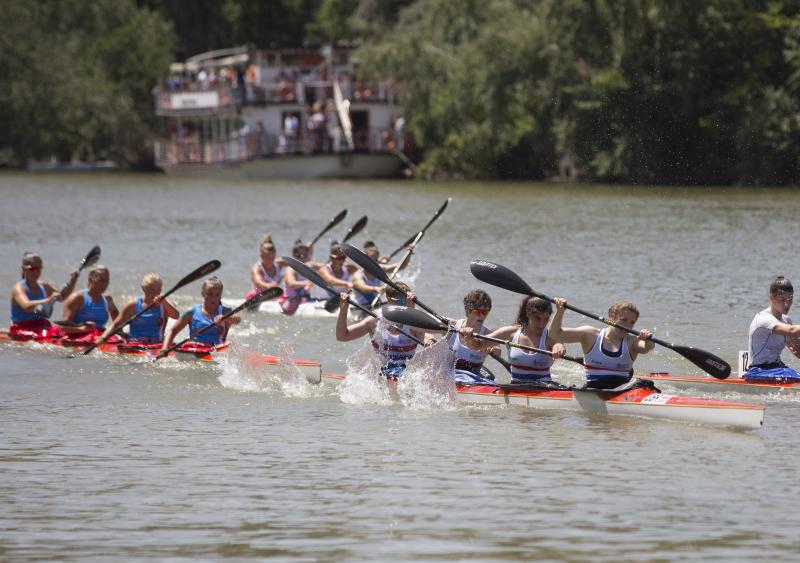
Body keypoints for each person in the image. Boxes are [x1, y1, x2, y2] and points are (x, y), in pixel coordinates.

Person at [548, 298, 654, 389]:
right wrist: (560, 311)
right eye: (624, 320)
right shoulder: (590, 335)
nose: (627, 326)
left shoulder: (632, 341)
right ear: (611, 316)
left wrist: (648, 340)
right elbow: (555, 334)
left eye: (632, 322)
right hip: (595, 389)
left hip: (623, 390)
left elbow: (645, 348)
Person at [336, 281, 432, 379]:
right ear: (389, 300)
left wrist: (430, 341)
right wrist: (343, 310)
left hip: (405, 373)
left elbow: (428, 337)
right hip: (381, 373)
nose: (404, 304)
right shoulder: (374, 321)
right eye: (400, 301)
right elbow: (343, 336)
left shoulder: (415, 322)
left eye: (406, 301)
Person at [9, 252, 79, 338]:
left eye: (38, 269)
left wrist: (73, 281)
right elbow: (27, 306)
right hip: (21, 327)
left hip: (41, 325)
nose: (36, 272)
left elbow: (61, 297)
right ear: (23, 269)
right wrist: (48, 300)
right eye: (32, 269)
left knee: (64, 331)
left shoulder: (43, 285)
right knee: (56, 333)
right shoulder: (18, 288)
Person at [161, 277, 240, 353]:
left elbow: (237, 319)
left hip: (217, 351)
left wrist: (225, 318)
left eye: (217, 294)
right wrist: (164, 348)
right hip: (196, 349)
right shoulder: (192, 313)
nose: (214, 298)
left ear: (221, 295)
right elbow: (172, 331)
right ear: (203, 294)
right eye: (210, 294)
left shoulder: (225, 311)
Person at [744, 276, 800, 383]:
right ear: (771, 297)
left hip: (778, 367)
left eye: (790, 300)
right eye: (782, 300)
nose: (787, 305)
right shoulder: (763, 319)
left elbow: (798, 352)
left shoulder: (787, 321)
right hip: (758, 371)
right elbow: (792, 330)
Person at [97, 273, 179, 344]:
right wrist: (103, 337)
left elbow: (176, 316)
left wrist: (164, 301)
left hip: (156, 343)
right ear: (143, 289)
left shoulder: (165, 303)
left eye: (159, 289)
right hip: (134, 343)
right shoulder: (133, 305)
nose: (156, 293)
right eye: (152, 290)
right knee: (119, 331)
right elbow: (115, 324)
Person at [446, 289, 500, 381]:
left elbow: (498, 351)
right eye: (479, 312)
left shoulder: (488, 335)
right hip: (448, 375)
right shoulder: (452, 326)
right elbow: (425, 323)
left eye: (485, 312)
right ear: (468, 310)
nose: (482, 316)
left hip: (472, 379)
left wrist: (493, 349)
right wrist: (429, 337)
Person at [60, 265, 119, 341]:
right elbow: (63, 328)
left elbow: (118, 323)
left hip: (99, 337)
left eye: (107, 280)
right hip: (78, 337)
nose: (105, 284)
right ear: (91, 279)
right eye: (101, 280)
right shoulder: (77, 298)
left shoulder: (107, 299)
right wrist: (82, 329)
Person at [280, 240, 316, 315]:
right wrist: (306, 283)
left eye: (304, 255)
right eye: (299, 255)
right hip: (291, 300)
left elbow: (323, 267)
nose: (301, 258)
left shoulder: (309, 267)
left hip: (305, 298)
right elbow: (291, 284)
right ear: (294, 256)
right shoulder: (290, 269)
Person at [247, 234, 284, 299]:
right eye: (268, 257)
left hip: (273, 296)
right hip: (257, 296)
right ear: (262, 256)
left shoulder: (279, 263)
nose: (271, 259)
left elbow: (295, 263)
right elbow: (258, 282)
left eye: (273, 257)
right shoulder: (257, 268)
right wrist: (270, 285)